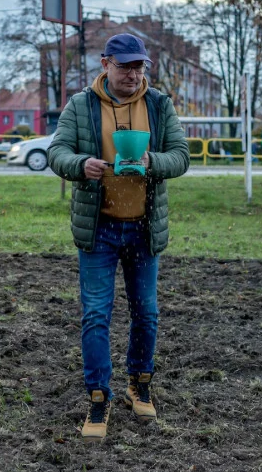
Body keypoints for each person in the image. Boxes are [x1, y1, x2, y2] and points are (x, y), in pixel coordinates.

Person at [47, 33, 190, 441]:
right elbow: (58, 152)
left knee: (146, 311)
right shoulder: (81, 105)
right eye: (125, 65)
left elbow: (181, 155)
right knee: (96, 313)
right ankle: (98, 397)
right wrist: (80, 164)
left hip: (144, 226)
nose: (133, 73)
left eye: (139, 65)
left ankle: (139, 382)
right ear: (105, 64)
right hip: (100, 227)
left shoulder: (159, 105)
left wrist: (152, 161)